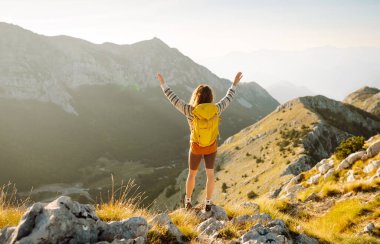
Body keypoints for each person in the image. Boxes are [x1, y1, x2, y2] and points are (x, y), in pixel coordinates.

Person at [156, 72, 242, 211]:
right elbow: (228, 99)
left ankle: (188, 202)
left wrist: (163, 84)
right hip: (211, 147)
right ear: (211, 97)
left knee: (192, 174)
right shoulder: (216, 110)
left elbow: (174, 99)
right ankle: (208, 202)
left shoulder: (190, 111)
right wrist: (234, 84)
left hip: (196, 146)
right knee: (210, 174)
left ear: (196, 96)